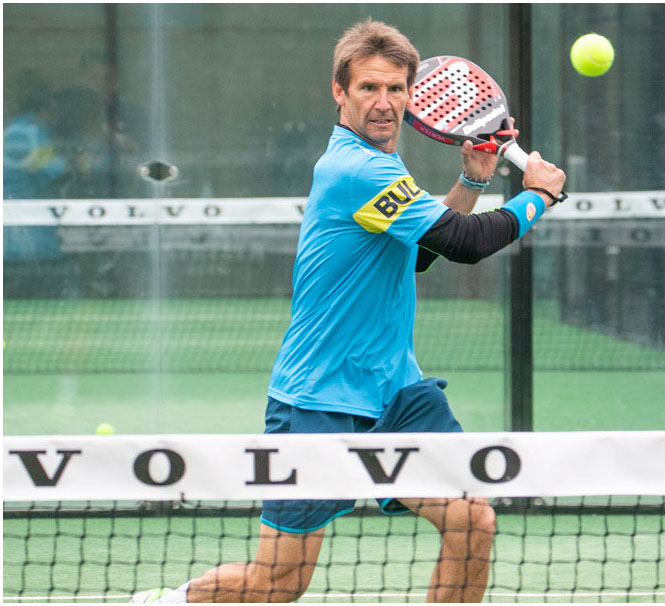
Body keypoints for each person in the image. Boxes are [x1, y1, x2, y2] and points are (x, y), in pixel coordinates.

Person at [131, 19, 565, 604]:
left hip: (397, 395)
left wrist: (470, 180)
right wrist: (538, 195)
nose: (383, 102)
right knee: (278, 584)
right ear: (340, 92)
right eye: (368, 88)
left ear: (410, 95)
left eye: (395, 88)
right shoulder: (357, 169)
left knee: (472, 521)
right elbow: (464, 244)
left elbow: (419, 255)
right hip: (319, 401)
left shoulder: (383, 170)